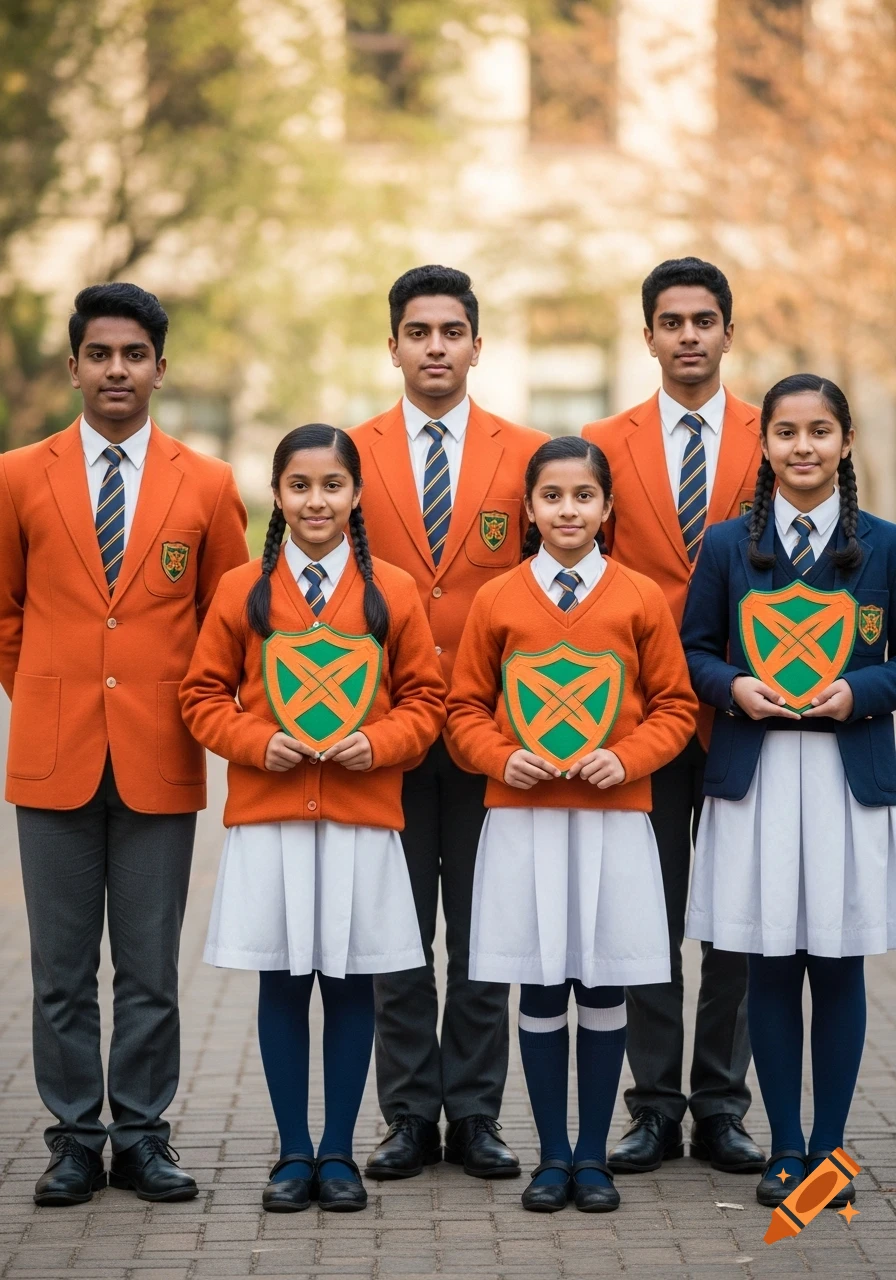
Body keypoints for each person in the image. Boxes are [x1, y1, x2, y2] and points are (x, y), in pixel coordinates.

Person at [0, 283, 249, 1206]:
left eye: (133, 354)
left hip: (161, 753)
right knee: (62, 970)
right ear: (74, 367)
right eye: (100, 354)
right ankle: (73, 1137)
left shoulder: (209, 483)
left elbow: (226, 618)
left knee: (149, 966)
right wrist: (48, 695)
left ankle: (142, 1134)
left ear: (159, 367)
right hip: (53, 754)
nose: (117, 370)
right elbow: (6, 612)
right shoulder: (17, 475)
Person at [180, 424, 446, 1212]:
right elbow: (201, 696)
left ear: (356, 494)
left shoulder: (391, 590)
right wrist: (260, 743)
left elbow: (425, 700)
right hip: (272, 816)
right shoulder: (242, 590)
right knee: (285, 977)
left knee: (352, 977)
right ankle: (293, 1150)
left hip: (362, 815)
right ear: (278, 494)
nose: (316, 500)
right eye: (300, 485)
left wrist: (380, 741)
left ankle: (339, 1152)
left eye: (332, 485)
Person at [446, 436, 698, 1212]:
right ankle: (551, 1155)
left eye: (583, 497)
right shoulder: (498, 599)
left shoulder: (637, 596)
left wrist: (625, 759)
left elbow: (676, 706)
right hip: (524, 818)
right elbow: (462, 710)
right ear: (529, 509)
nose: (567, 510)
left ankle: (593, 1155)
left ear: (607, 508)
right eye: (552, 497)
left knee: (602, 978)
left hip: (613, 818)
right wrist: (497, 756)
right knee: (542, 982)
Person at [351, 266, 548, 1180]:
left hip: (491, 738)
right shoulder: (349, 455)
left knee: (481, 935)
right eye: (419, 332)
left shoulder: (531, 456)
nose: (436, 347)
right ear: (392, 345)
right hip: (380, 733)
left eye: (453, 331)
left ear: (478, 343)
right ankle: (405, 1116)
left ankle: (475, 1115)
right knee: (396, 935)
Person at [682, 373, 896, 1209]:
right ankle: (784, 1147)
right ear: (763, 445)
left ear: (843, 443)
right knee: (769, 962)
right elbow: (693, 651)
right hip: (757, 776)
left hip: (847, 779)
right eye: (785, 433)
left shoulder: (884, 544)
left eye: (819, 432)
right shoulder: (729, 546)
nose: (802, 447)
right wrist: (732, 688)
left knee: (837, 964)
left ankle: (834, 1152)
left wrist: (862, 692)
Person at [582, 257, 765, 1174]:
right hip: (640, 720)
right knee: (644, 916)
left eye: (704, 321)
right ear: (646, 335)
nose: (688, 336)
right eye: (671, 321)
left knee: (730, 918)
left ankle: (722, 1106)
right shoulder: (599, 443)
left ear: (729, 332)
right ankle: (652, 1105)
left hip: (745, 711)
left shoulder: (777, 435)